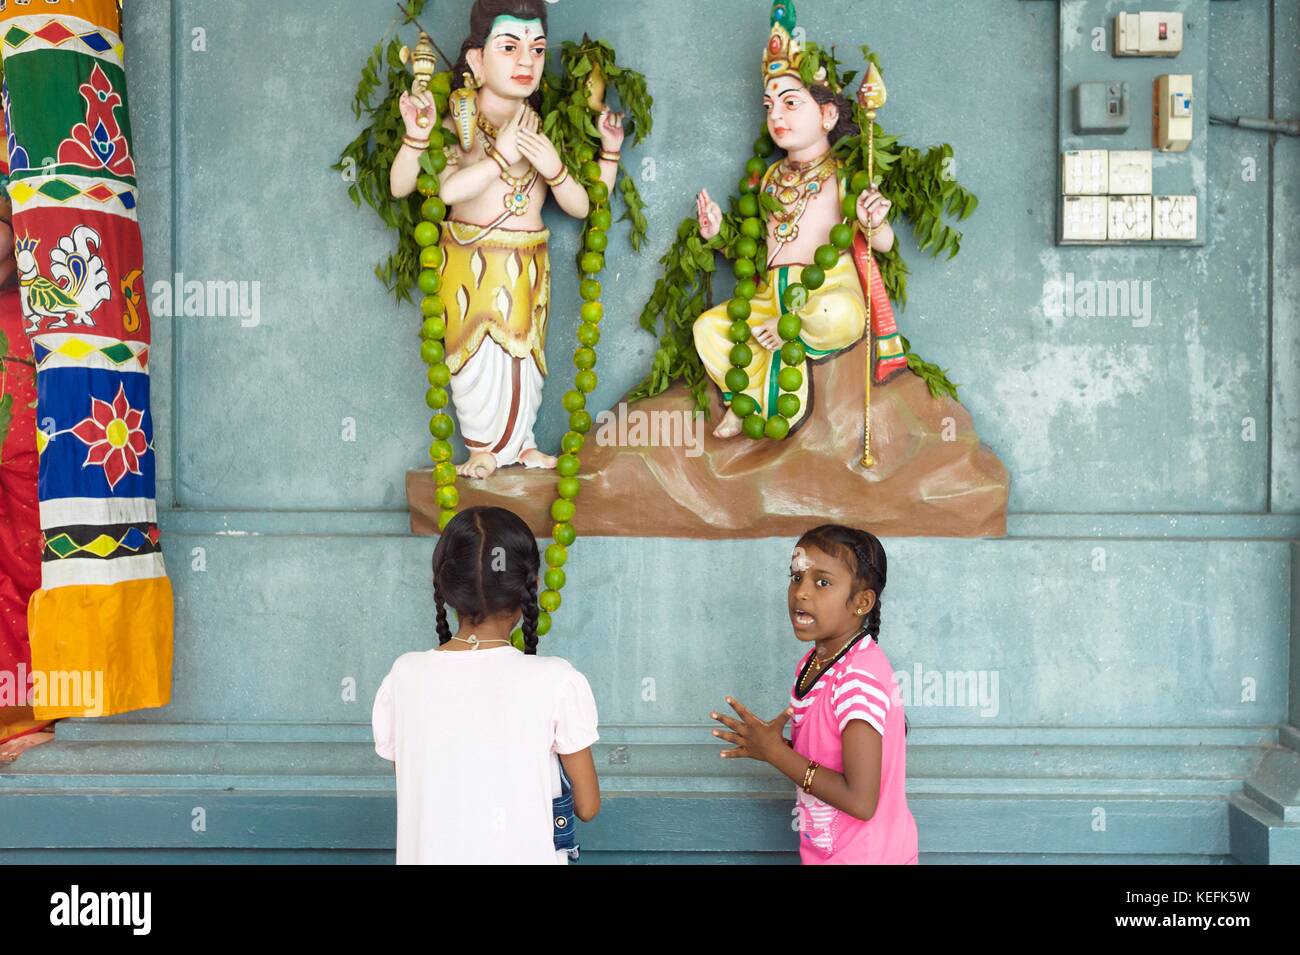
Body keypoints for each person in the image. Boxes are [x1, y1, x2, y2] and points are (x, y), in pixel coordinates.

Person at [389, 0, 625, 479]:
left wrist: (570, 162)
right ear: (476, 60)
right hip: (470, 262)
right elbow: (419, 188)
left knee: (524, 357)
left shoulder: (544, 129)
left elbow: (583, 206)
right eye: (510, 47)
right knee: (477, 357)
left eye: (537, 49)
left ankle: (520, 445)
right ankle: (482, 448)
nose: (526, 62)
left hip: (528, 263)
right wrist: (477, 151)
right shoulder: (460, 125)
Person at [693, 3, 906, 438]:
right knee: (709, 328)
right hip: (770, 293)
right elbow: (755, 248)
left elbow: (881, 245)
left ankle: (794, 335)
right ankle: (743, 401)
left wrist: (873, 221)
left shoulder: (844, 176)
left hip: (824, 286)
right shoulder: (771, 176)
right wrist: (718, 234)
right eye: (770, 105)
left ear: (827, 115)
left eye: (791, 103)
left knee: (841, 313)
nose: (776, 115)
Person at [372, 505, 601, 863]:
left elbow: (420, 788)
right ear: (532, 587)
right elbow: (587, 806)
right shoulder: (557, 681)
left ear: (445, 587)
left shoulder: (404, 677)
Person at [710, 523, 918, 864]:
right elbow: (828, 759)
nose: (801, 592)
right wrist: (772, 746)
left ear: (862, 601)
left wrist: (777, 754)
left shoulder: (858, 678)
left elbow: (861, 802)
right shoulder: (812, 664)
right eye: (796, 578)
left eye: (822, 582)